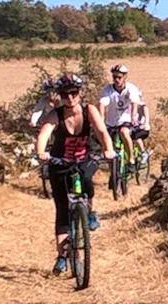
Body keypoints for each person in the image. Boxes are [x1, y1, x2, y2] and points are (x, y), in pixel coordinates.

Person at [35, 74, 115, 275]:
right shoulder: (55, 115)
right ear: (60, 96)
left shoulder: (89, 110)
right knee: (62, 208)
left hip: (84, 159)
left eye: (74, 93)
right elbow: (44, 134)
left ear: (80, 93)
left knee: (86, 179)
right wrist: (41, 152)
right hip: (60, 162)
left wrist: (108, 149)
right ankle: (62, 255)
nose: (70, 97)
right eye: (64, 94)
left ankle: (91, 212)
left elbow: (102, 132)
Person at [98, 64, 142, 172]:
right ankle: (112, 170)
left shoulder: (131, 88)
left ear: (125, 77)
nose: (117, 80)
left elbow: (134, 103)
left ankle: (131, 160)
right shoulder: (107, 90)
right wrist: (101, 120)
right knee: (106, 140)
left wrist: (133, 117)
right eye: (114, 77)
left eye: (119, 77)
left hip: (127, 119)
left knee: (124, 132)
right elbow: (102, 104)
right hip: (112, 121)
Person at [132, 95, 152, 165]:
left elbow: (147, 118)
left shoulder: (143, 106)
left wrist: (144, 124)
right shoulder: (129, 106)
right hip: (133, 128)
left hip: (143, 129)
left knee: (136, 137)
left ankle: (143, 153)